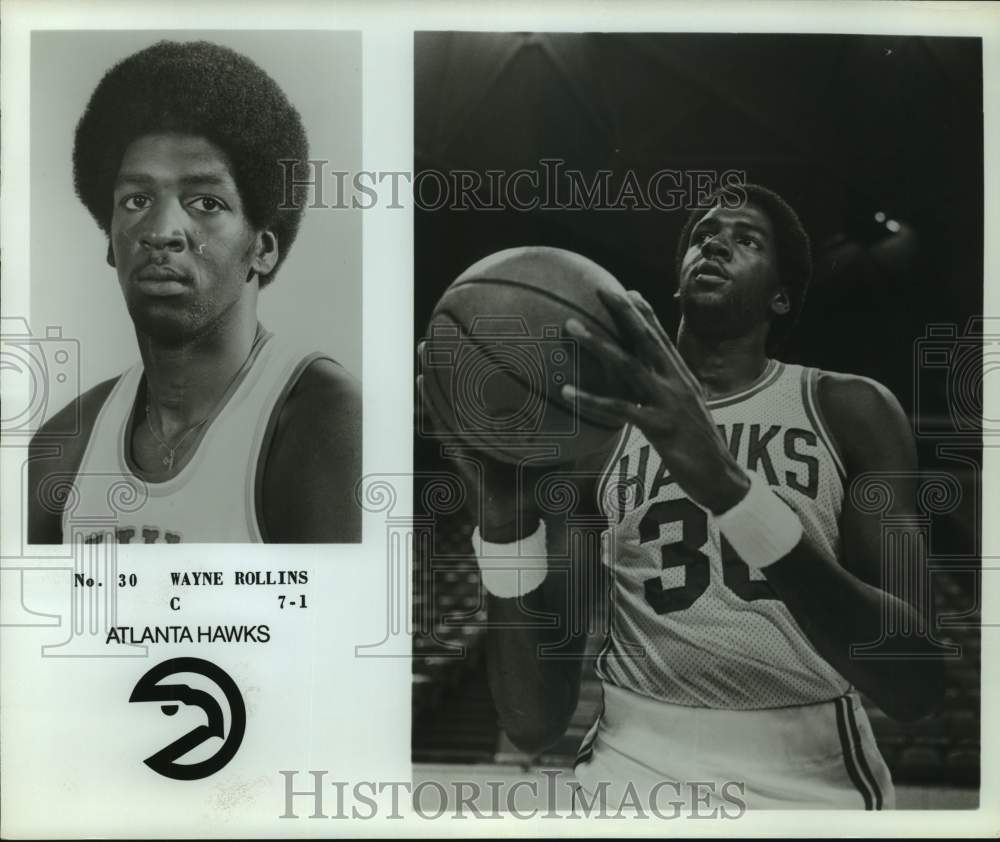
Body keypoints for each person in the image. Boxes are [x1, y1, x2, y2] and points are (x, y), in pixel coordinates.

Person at [421, 183, 945, 810]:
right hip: (629, 769)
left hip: (811, 778)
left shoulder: (848, 409)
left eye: (747, 240)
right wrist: (504, 526)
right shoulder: (594, 437)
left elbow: (915, 684)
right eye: (703, 235)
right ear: (676, 282)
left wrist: (731, 491)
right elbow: (533, 722)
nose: (716, 244)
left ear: (781, 297)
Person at [28, 40, 361, 544]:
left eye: (205, 202)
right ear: (111, 243)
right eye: (137, 200)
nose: (161, 231)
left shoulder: (327, 422)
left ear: (263, 248)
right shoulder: (63, 446)